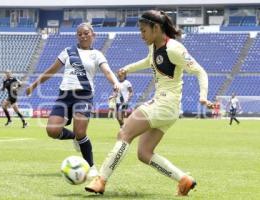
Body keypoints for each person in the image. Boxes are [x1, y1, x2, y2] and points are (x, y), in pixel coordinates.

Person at [85, 10, 213, 196]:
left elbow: (200, 71)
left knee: (124, 132)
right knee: (144, 153)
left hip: (164, 104)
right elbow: (149, 61)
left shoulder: (174, 48)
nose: (141, 35)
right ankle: (183, 180)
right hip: (168, 109)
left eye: (144, 31)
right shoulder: (154, 46)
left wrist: (203, 96)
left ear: (156, 28)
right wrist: (127, 68)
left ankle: (101, 180)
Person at [26, 23, 120, 178]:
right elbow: (51, 70)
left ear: (93, 35)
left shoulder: (97, 54)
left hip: (83, 95)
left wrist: (115, 83)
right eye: (80, 34)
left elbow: (107, 71)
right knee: (52, 131)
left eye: (86, 33)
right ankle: (75, 138)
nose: (83, 36)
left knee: (81, 131)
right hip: (64, 96)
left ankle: (91, 167)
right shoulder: (68, 52)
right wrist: (34, 85)